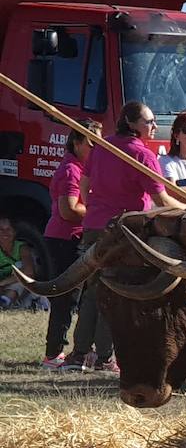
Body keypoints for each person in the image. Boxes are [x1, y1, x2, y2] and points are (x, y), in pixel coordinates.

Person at [68, 101, 184, 374]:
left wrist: (96, 210)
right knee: (116, 292)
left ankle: (79, 355)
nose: (154, 126)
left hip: (96, 226)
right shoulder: (142, 155)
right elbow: (161, 199)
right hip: (124, 230)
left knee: (93, 292)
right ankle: (105, 358)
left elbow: (85, 184)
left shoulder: (103, 146)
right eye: (149, 121)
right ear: (131, 123)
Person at [41, 122, 96, 368]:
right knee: (66, 298)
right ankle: (53, 354)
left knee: (80, 298)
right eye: (91, 142)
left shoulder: (83, 168)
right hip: (65, 240)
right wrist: (97, 212)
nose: (96, 147)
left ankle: (78, 350)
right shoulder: (71, 170)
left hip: (74, 238)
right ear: (77, 142)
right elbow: (69, 210)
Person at [0, 217, 42, 309]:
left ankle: (5, 302)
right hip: (4, 286)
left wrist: (2, 283)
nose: (5, 233)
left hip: (20, 287)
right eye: (1, 230)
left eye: (8, 229)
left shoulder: (22, 248)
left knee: (19, 269)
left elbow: (29, 273)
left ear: (14, 232)